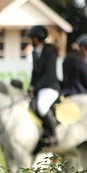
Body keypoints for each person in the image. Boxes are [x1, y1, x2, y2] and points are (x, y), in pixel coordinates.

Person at [27, 25, 61, 153]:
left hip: (50, 87)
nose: (29, 41)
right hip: (40, 87)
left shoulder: (49, 51)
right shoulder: (35, 52)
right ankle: (42, 133)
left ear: (37, 39)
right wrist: (31, 85)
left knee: (41, 107)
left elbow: (48, 74)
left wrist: (36, 88)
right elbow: (34, 73)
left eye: (31, 38)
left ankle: (53, 135)